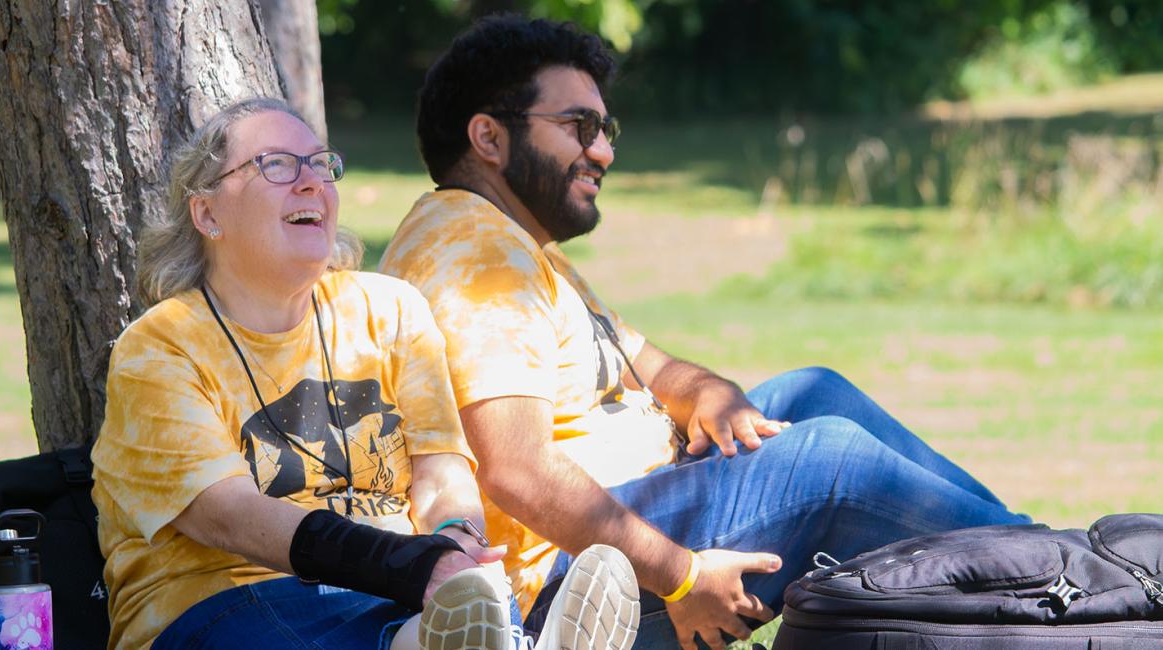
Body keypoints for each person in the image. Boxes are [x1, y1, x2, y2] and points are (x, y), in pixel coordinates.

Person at [378, 16, 1032, 650]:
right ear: (488, 139)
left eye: (605, 128)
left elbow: (649, 366)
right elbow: (515, 471)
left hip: (629, 512)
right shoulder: (475, 257)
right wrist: (682, 576)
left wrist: (710, 394)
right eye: (578, 127)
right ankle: (1072, 577)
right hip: (558, 590)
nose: (602, 150)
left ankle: (1047, 558)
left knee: (813, 392)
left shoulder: (516, 244)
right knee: (827, 462)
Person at [90, 97, 640, 650]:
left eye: (321, 165)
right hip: (222, 603)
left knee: (432, 625)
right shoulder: (159, 349)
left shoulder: (389, 311)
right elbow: (228, 517)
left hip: (387, 593)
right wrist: (406, 565)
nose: (312, 184)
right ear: (207, 213)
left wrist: (455, 546)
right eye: (276, 164)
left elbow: (442, 473)